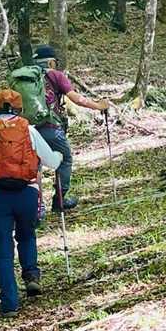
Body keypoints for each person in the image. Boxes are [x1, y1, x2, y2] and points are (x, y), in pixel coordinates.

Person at [0, 87, 63, 317]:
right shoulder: (29, 129)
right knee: (27, 235)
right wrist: (58, 157)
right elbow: (51, 161)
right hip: (26, 193)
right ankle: (31, 275)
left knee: (3, 251)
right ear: (19, 108)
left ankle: (9, 303)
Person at [29, 44, 109, 213]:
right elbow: (76, 99)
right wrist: (98, 106)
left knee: (35, 166)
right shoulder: (56, 75)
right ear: (51, 62)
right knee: (64, 160)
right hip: (51, 127)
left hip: (29, 130)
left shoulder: (26, 78)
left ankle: (36, 206)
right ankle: (60, 200)